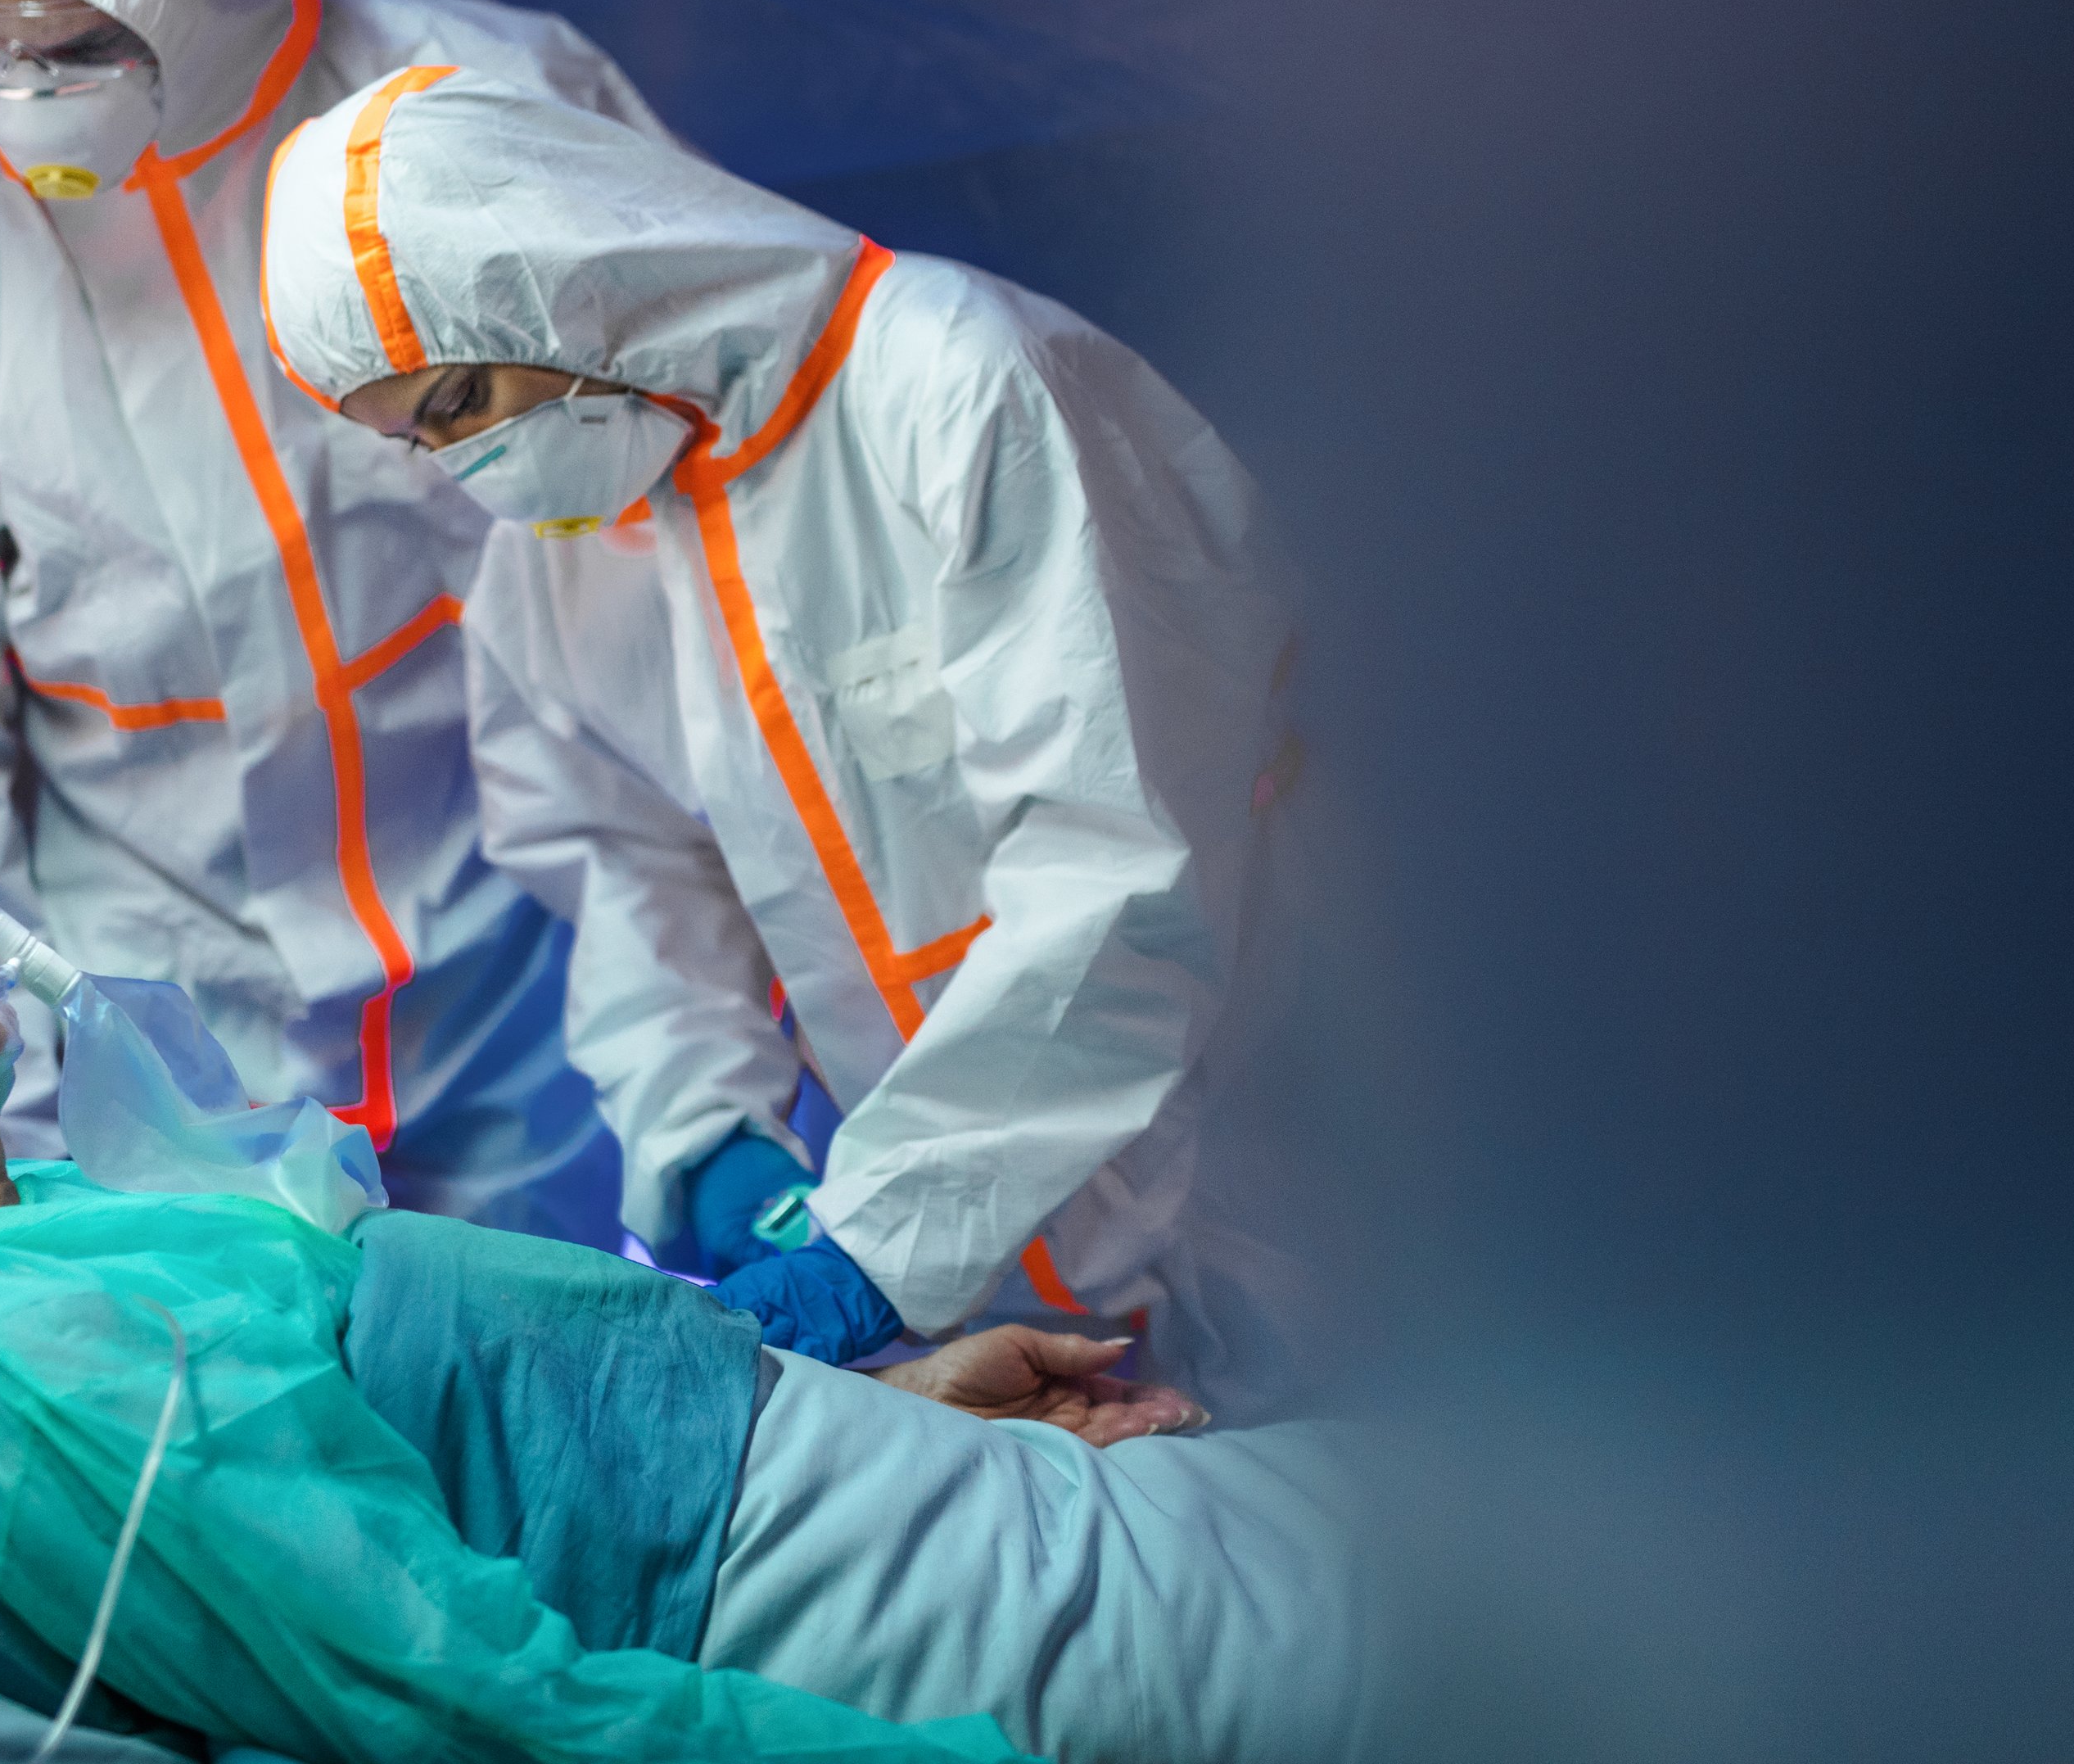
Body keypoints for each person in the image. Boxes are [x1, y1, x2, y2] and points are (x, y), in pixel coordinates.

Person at [0, 762, 1376, 1764]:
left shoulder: (52, 1217)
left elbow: (473, 1435)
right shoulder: (45, 1354)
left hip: (930, 1498)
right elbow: (490, 1713)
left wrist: (851, 1392)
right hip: (929, 1642)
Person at [255, 67, 1308, 1407]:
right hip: (984, 1232)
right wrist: (708, 1144)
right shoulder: (556, 567)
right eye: (409, 438)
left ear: (568, 282)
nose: (460, 463)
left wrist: (874, 1250)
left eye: (458, 398)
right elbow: (627, 874)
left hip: (1281, 1130)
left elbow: (1124, 864)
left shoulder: (956, 382)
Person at [0, 0, 670, 1242]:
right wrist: (30, 1151)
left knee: (599, 1413)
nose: (24, 91)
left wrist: (706, 1057)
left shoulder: (492, 104)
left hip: (543, 987)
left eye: (73, 39)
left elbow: (696, 547)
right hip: (182, 1055)